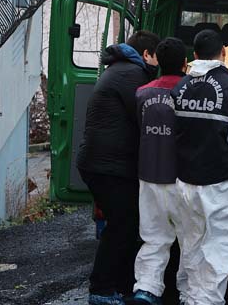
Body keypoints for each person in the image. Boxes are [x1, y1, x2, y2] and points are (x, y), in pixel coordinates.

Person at [172, 29, 228, 305]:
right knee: (219, 249)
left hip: (185, 182)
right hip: (218, 184)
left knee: (191, 244)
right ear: (223, 53)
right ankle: (206, 301)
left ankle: (189, 297)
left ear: (194, 55)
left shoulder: (179, 87)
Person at [76, 31, 159, 305]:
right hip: (108, 167)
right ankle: (101, 290)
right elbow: (146, 116)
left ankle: (120, 285)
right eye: (156, 56)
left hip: (103, 164)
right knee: (121, 226)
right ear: (146, 54)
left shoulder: (120, 70)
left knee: (124, 224)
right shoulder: (132, 76)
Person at [132, 38, 189, 305]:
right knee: (189, 240)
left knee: (153, 237)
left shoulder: (142, 93)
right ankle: (189, 294)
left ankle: (146, 288)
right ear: (185, 63)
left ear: (156, 60)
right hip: (183, 177)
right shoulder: (190, 93)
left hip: (149, 173)